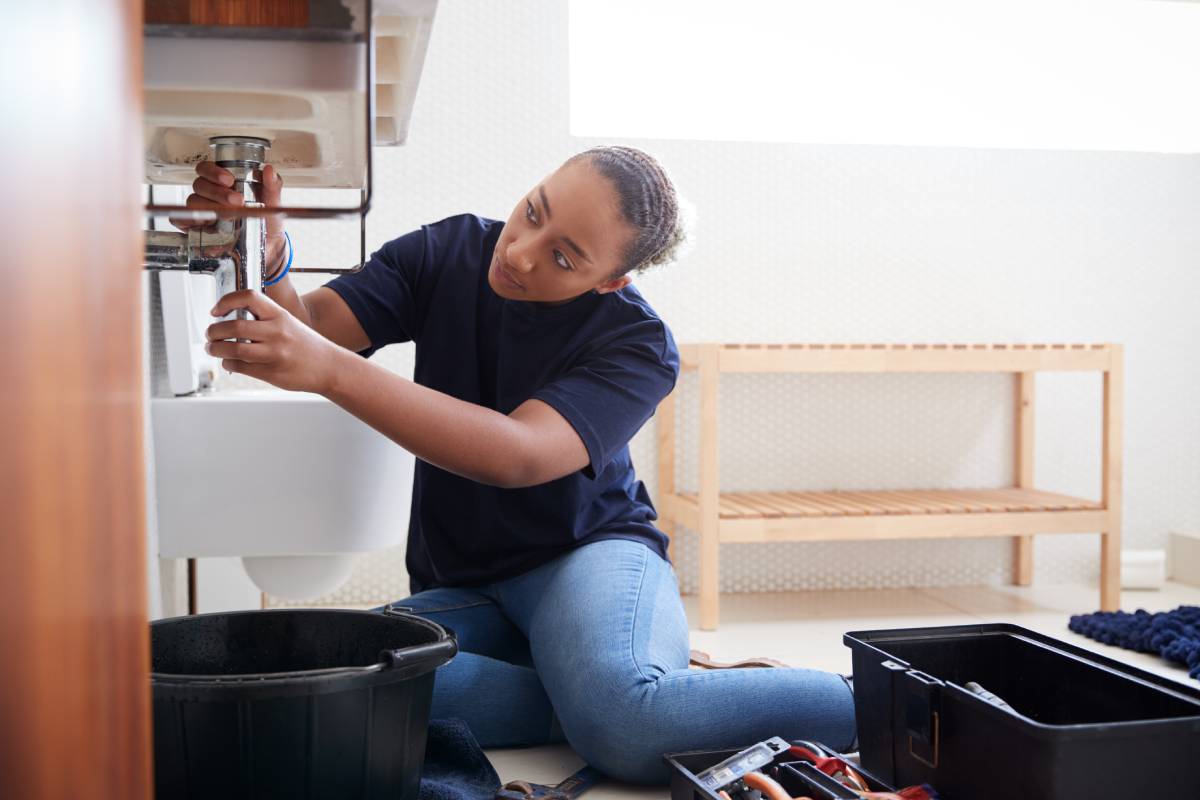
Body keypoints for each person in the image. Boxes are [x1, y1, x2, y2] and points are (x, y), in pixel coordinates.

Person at [189, 146, 856, 784]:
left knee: (622, 728)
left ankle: (861, 695)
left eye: (564, 257)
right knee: (331, 679)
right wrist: (267, 248)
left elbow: (518, 453)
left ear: (611, 280)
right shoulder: (448, 251)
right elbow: (315, 329)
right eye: (533, 211)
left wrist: (330, 372)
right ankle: (602, 686)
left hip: (587, 556)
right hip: (468, 584)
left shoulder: (639, 345)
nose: (519, 252)